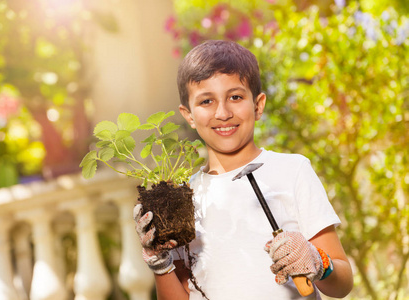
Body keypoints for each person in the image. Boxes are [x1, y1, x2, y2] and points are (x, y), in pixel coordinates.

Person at [133, 40, 353, 299]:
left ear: (258, 105)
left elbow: (342, 284)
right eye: (206, 101)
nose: (223, 113)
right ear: (189, 115)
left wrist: (318, 262)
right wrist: (160, 264)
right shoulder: (183, 197)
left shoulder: (292, 171)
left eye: (235, 97)